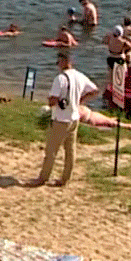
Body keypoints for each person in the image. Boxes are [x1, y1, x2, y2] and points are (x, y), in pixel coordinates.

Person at [27, 54, 98, 187]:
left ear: (64, 62)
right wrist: (80, 100)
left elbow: (52, 100)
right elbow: (95, 90)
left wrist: (53, 102)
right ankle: (65, 178)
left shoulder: (60, 79)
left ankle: (43, 178)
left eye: (58, 62)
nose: (57, 65)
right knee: (70, 151)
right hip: (74, 118)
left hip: (61, 119)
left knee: (51, 151)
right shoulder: (80, 76)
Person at [103, 24, 131, 100]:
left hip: (110, 58)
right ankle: (118, 97)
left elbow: (103, 41)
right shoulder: (123, 41)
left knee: (110, 78)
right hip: (119, 59)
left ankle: (108, 94)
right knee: (121, 78)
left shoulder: (110, 38)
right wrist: (130, 40)